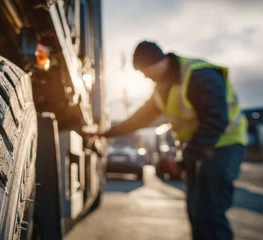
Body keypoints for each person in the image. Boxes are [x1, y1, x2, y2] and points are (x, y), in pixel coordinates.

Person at [98, 41, 248, 240]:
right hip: (201, 150)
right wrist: (106, 133)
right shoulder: (162, 89)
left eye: (144, 71)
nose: (144, 76)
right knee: (196, 213)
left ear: (157, 61)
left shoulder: (198, 75)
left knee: (209, 214)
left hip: (224, 145)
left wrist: (183, 162)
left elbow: (216, 120)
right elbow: (139, 119)